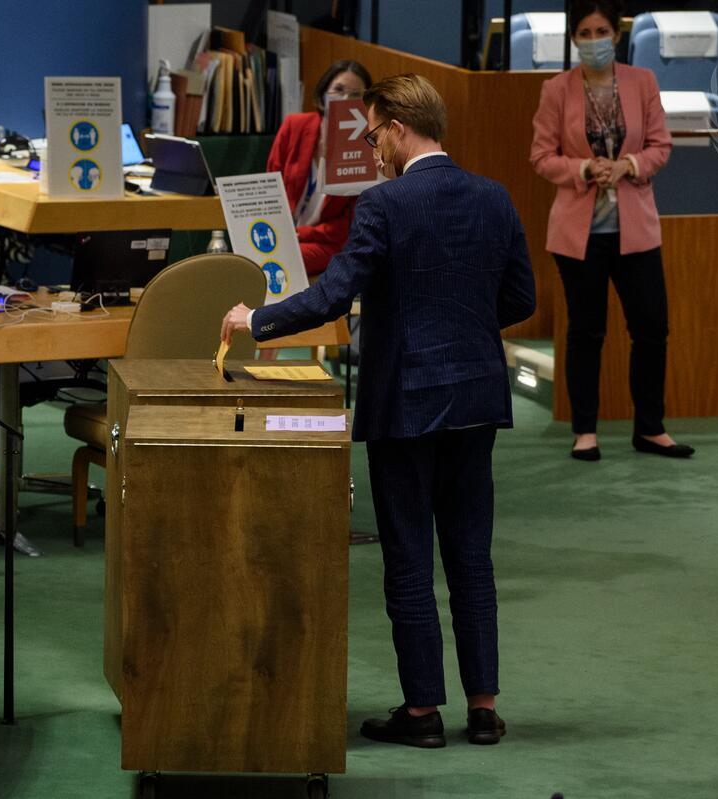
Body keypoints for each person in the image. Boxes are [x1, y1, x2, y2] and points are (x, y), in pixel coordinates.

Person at [222, 74, 536, 747]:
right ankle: (484, 707)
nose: (373, 149)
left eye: (373, 136)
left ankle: (422, 713)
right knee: (471, 557)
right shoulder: (494, 197)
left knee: (409, 557)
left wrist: (257, 319)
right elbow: (521, 298)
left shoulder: (384, 204)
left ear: (397, 128)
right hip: (476, 396)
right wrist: (466, 329)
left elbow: (334, 294)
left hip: (404, 402)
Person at [530, 0, 693, 461]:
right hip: (578, 233)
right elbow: (541, 156)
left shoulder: (643, 82)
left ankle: (651, 429)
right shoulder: (556, 89)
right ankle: (585, 431)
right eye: (584, 33)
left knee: (651, 328)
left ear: (616, 35)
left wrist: (629, 165)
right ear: (574, 40)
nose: (594, 41)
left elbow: (661, 145)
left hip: (636, 229)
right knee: (586, 332)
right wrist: (584, 168)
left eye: (601, 32)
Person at [267, 59, 372, 277]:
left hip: (325, 243)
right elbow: (270, 189)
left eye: (355, 95)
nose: (345, 100)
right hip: (279, 235)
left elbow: (348, 225)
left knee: (279, 261)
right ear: (324, 94)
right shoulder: (294, 125)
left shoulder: (364, 147)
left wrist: (300, 235)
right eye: (339, 90)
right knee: (246, 259)